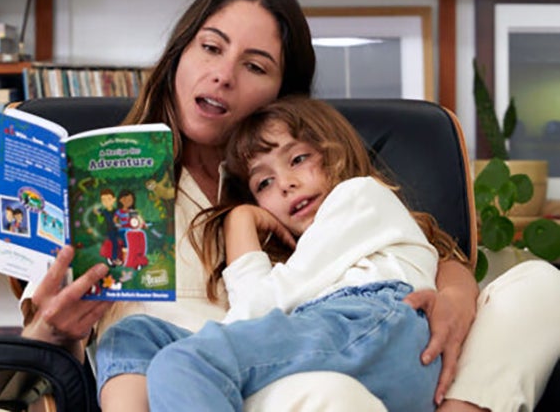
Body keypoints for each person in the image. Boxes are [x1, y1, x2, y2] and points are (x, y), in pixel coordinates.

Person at [19, 0, 560, 411]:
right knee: (325, 393)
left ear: (282, 93)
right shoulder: (98, 182)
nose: (223, 75)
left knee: (541, 285)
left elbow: (416, 246)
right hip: (215, 387)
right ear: (180, 53)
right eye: (211, 47)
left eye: (254, 66)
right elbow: (62, 365)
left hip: (337, 351)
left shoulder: (296, 181)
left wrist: (455, 293)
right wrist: (53, 331)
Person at [97, 95, 463, 411]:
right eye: (264, 182)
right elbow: (260, 309)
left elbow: (257, 308)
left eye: (299, 159)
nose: (286, 184)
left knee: (184, 363)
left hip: (376, 327)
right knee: (132, 334)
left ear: (336, 150)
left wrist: (237, 227)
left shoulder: (359, 196)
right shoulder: (308, 255)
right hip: (340, 335)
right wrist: (241, 219)